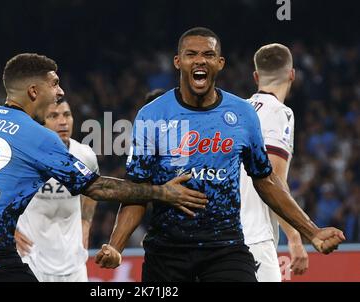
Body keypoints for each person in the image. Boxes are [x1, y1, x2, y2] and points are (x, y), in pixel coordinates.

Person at [0, 53, 208, 282]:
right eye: (54, 83)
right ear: (33, 91)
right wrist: (162, 193)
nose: (60, 90)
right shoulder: (37, 136)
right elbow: (97, 187)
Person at [95, 27, 345, 282]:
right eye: (191, 54)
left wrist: (312, 232)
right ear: (178, 62)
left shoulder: (243, 114)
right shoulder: (152, 115)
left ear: (220, 63)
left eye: (208, 54)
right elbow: (137, 189)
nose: (200, 60)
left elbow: (266, 181)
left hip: (225, 249)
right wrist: (116, 246)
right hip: (167, 253)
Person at [240, 43, 308, 282]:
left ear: (256, 76)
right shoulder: (280, 113)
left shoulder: (237, 111)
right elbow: (273, 181)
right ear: (292, 74)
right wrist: (295, 236)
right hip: (255, 237)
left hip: (222, 239)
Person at [15, 100, 99, 282]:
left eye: (67, 115)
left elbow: (95, 190)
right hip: (31, 260)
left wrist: (86, 222)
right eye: (54, 116)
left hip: (74, 264)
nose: (63, 121)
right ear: (41, 123)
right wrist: (9, 230)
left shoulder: (85, 155)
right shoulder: (26, 156)